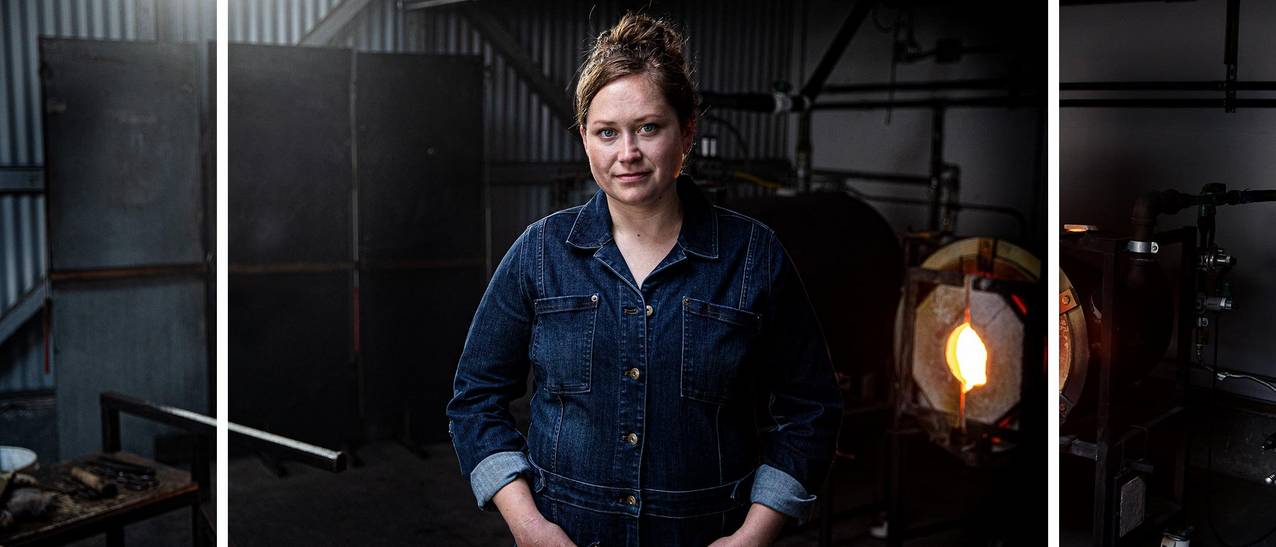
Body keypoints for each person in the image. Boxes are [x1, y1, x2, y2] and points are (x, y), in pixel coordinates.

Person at [447, 13, 842, 547]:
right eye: (607, 132)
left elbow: (811, 410)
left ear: (688, 133)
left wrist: (754, 536)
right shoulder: (540, 253)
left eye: (648, 128)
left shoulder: (752, 256)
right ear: (584, 138)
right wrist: (530, 527)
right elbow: (475, 400)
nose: (626, 153)